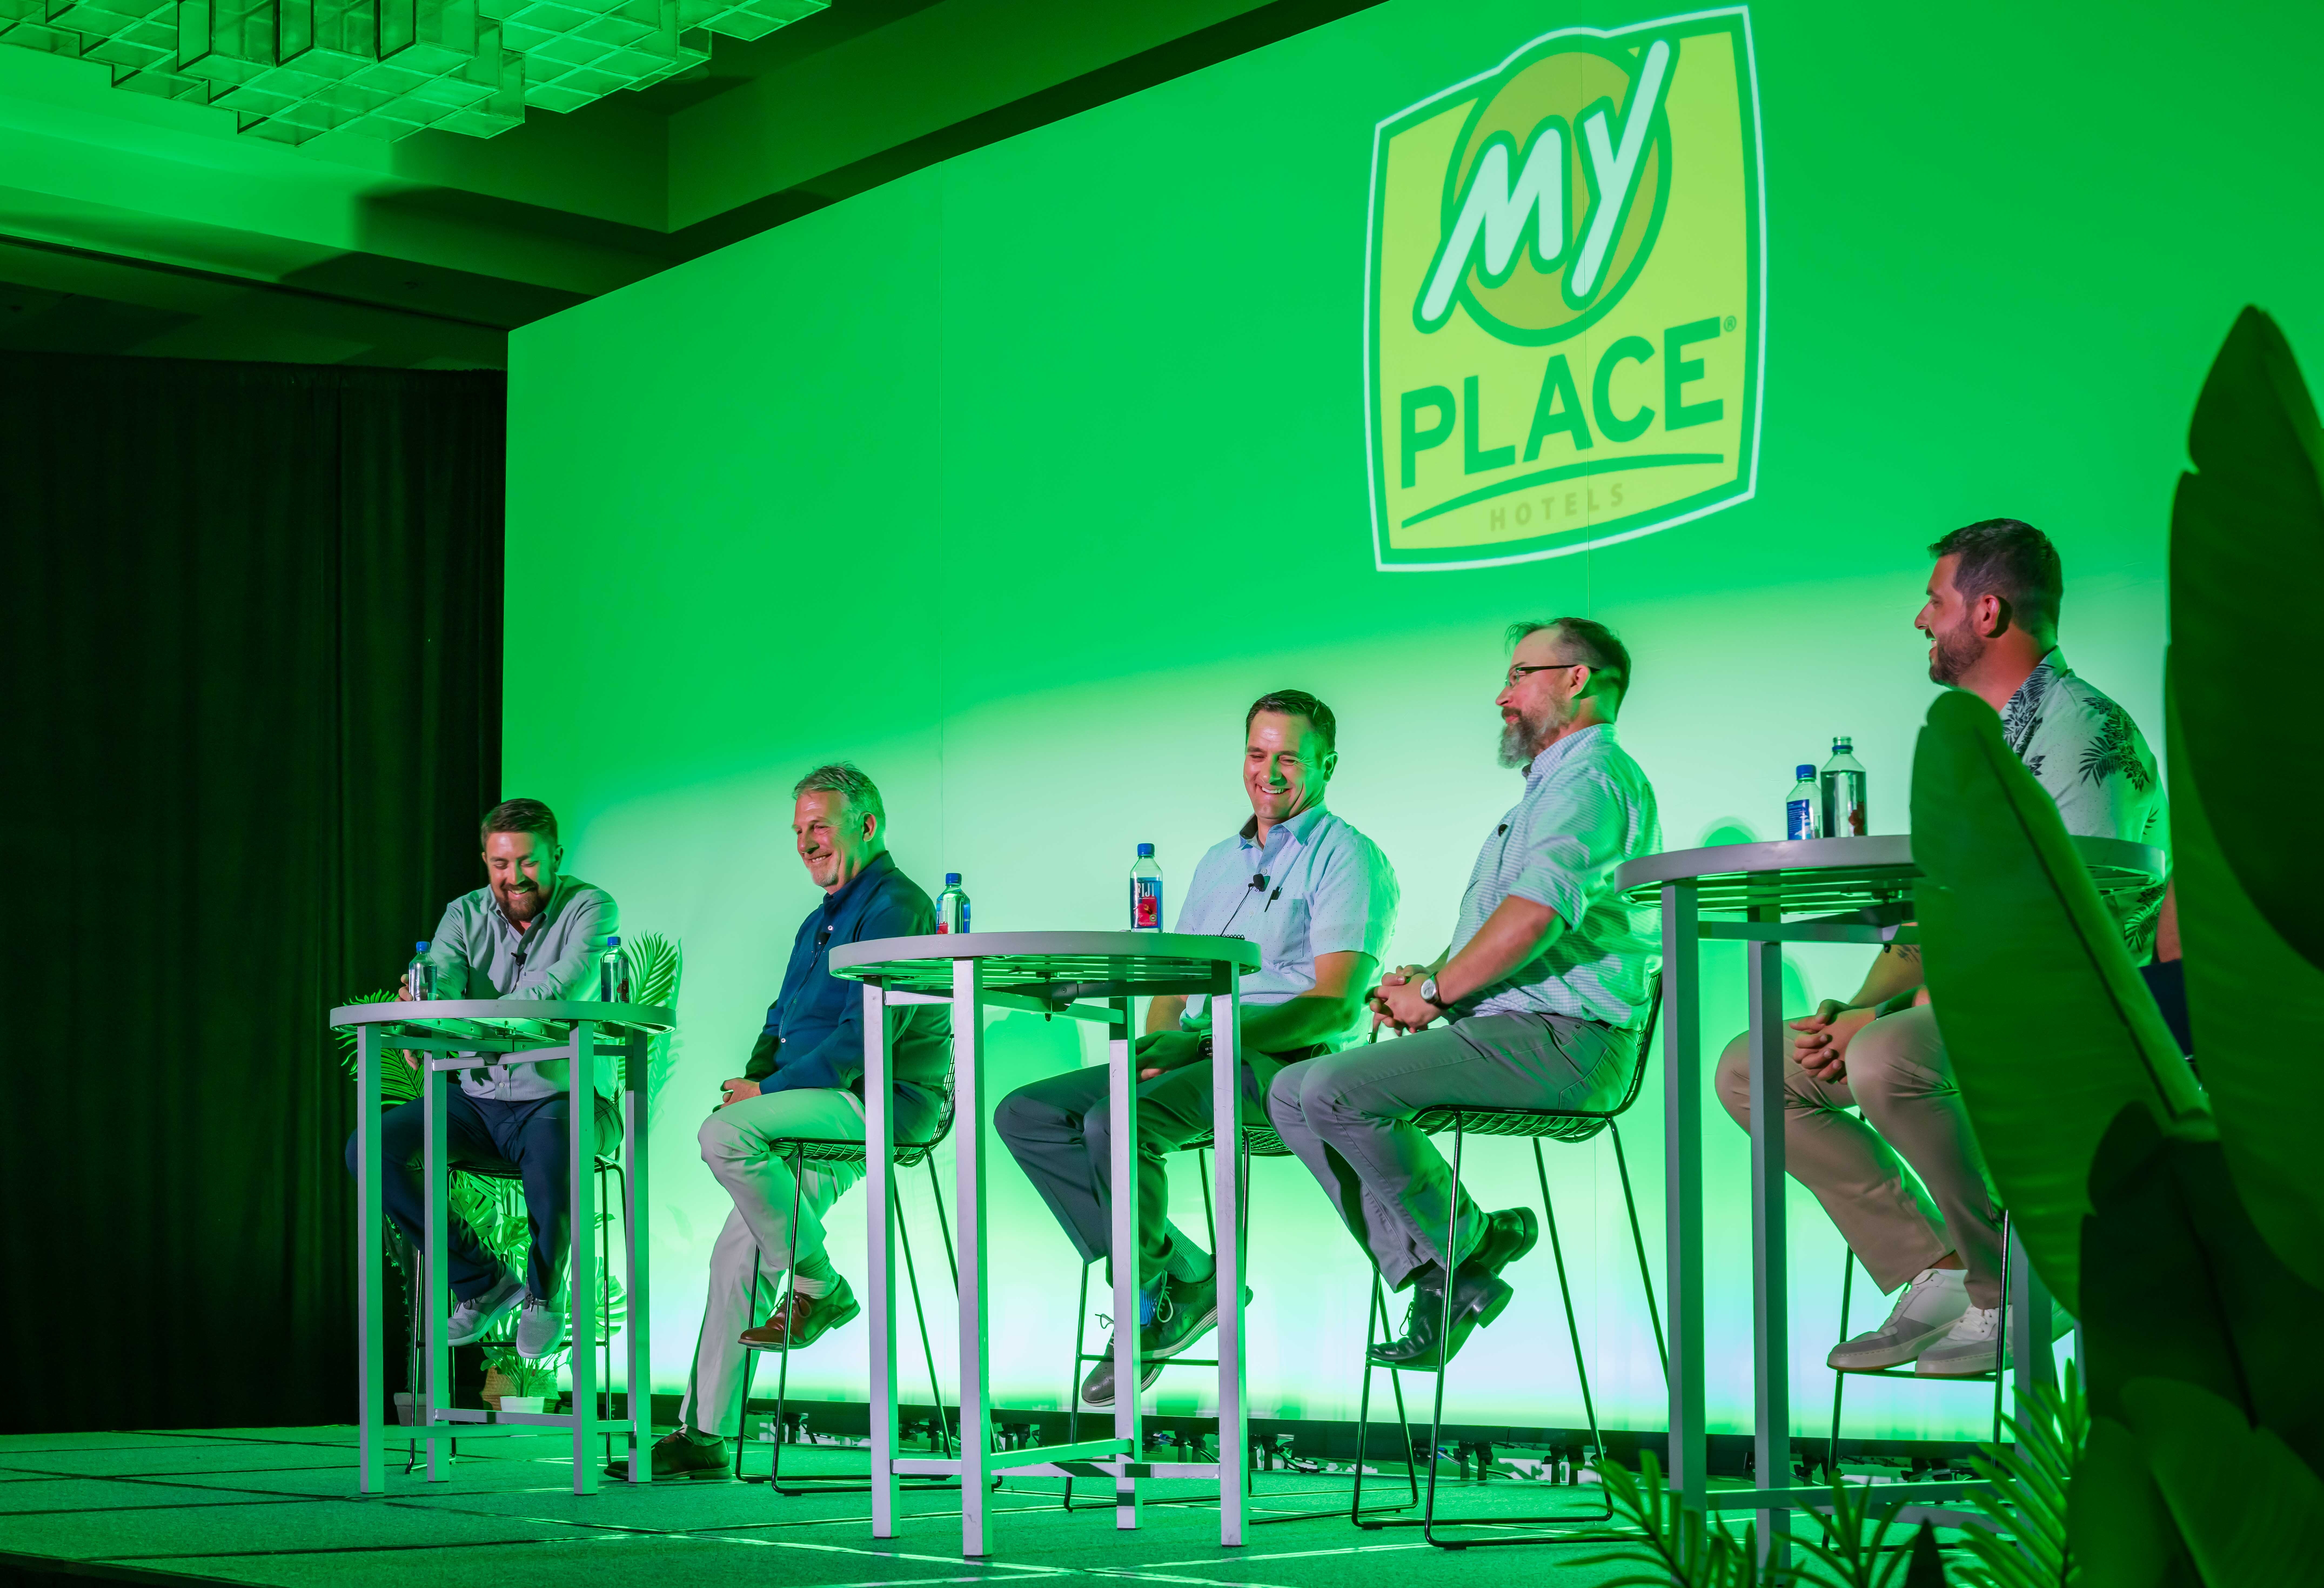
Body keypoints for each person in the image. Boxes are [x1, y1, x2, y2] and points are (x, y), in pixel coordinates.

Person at [1715, 519, 2168, 1376]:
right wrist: (1854, 1007)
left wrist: (1882, 1022)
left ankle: (2021, 1282)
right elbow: (1940, 916)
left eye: (1934, 600)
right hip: (1975, 1006)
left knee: (1888, 1056)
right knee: (1754, 1067)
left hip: (2069, 1020)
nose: (1920, 619)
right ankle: (1941, 1265)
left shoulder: (2084, 733)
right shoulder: (1978, 743)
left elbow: (2048, 935)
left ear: (1987, 611)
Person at [1269, 621, 1662, 1368]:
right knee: (1290, 1091)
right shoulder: (1550, 786)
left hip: (1568, 1039)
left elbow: (1537, 915)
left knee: (1329, 1089)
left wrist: (1437, 990)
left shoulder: (1589, 781)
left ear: (1576, 678)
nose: (1501, 695)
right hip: (1515, 1029)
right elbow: (1503, 921)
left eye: (1518, 675)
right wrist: (1428, 982)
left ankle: (1468, 1250)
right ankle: (1453, 1269)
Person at [995, 690, 1398, 1406]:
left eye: (1288, 758)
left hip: (1287, 1063)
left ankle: (1145, 1304)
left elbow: (1336, 1004)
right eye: (1256, 753)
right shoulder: (1219, 861)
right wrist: (1159, 1044)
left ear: (1327, 765)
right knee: (1027, 1113)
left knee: (1116, 1120)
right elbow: (1174, 981)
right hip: (1202, 1050)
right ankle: (1180, 1272)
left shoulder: (1349, 856)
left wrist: (1201, 1041)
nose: (1268, 771)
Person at [615, 762, 949, 1479]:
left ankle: (821, 1285)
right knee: (736, 1249)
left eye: (819, 825)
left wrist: (765, 1091)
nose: (805, 841)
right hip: (819, 1103)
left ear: (868, 824)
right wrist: (753, 1082)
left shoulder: (898, 905)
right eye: (798, 829)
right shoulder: (817, 919)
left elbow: (864, 1039)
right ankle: (705, 1435)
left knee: (723, 1136)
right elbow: (779, 1020)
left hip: (879, 1099)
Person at [344, 798, 619, 1364]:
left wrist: (456, 1017)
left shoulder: (592, 907)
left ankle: (545, 1294)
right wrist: (423, 1008)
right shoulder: (462, 913)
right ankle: (481, 1281)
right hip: (477, 1098)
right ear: (486, 862)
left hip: (563, 1096)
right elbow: (440, 980)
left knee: (557, 1137)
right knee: (370, 1148)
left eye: (528, 861)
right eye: (500, 864)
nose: (514, 877)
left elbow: (558, 990)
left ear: (555, 856)